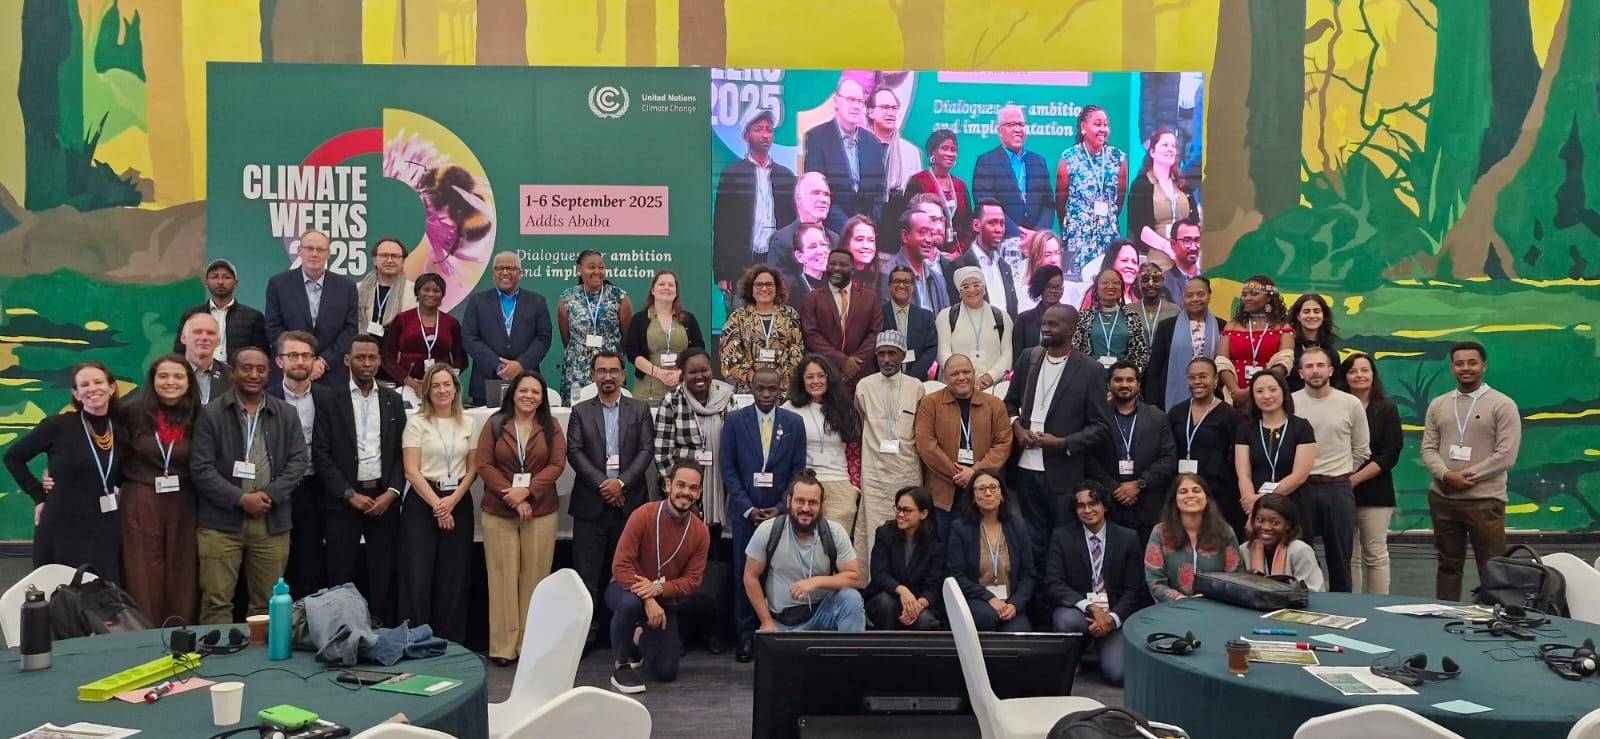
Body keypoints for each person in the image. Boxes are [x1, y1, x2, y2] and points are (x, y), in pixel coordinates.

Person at [190, 347, 309, 623]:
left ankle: (262, 651)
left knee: (267, 605)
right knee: (216, 602)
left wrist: (269, 495)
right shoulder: (211, 414)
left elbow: (299, 461)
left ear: (269, 374)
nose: (254, 375)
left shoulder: (286, 413)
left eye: (260, 369)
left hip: (271, 521)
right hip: (220, 524)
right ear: (232, 373)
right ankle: (218, 650)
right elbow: (201, 467)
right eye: (246, 368)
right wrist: (241, 499)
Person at [313, 334, 408, 624]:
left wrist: (392, 492)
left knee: (384, 571)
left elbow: (402, 453)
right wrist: (348, 494)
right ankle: (342, 629)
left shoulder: (393, 400)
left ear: (380, 361)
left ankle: (382, 629)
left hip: (383, 497)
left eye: (372, 358)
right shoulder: (330, 399)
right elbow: (321, 453)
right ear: (347, 360)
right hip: (344, 499)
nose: (366, 363)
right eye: (360, 357)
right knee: (341, 570)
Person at [1004, 304, 1111, 561]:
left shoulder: (1090, 369)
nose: (1046, 328)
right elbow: (1009, 403)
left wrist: (1063, 443)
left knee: (1062, 541)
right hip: (1024, 468)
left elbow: (1100, 426)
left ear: (1072, 329)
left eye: (1053, 324)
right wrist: (1017, 428)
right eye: (1044, 323)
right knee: (1032, 542)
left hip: (1063, 472)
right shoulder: (1029, 357)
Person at [475, 370, 567, 665]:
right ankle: (503, 647)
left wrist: (527, 492)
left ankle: (530, 646)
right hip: (499, 511)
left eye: (535, 392)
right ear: (512, 393)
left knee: (535, 580)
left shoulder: (551, 426)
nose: (529, 396)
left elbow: (556, 465)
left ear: (542, 398)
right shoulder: (495, 424)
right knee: (502, 578)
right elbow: (484, 464)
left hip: (540, 510)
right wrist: (512, 495)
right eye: (523, 390)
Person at [1421, 342, 1521, 602]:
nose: (1465, 368)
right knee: (1448, 566)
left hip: (1485, 501)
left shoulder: (1503, 404)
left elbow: (1506, 454)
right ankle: (1445, 614)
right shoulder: (1439, 404)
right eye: (1459, 363)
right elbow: (1429, 448)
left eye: (1472, 363)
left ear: (1483, 366)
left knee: (1492, 568)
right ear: (1452, 367)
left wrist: (1466, 477)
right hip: (1443, 499)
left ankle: (1493, 616)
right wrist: (1446, 476)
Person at [4, 362, 125, 578]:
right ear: (76, 394)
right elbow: (13, 457)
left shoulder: (121, 428)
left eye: (98, 382)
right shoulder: (57, 426)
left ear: (111, 388)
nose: (92, 388)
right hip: (61, 527)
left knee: (104, 591)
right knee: (61, 592)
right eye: (84, 385)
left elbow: (122, 474)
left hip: (104, 527)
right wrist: (38, 495)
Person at [567, 351, 655, 644]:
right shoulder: (580, 411)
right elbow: (574, 452)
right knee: (586, 575)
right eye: (602, 371)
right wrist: (604, 485)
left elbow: (646, 450)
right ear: (593, 375)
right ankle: (586, 635)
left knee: (630, 573)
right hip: (590, 504)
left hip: (629, 504)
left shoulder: (639, 409)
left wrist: (620, 483)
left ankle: (628, 634)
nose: (608, 376)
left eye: (614, 371)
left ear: (623, 375)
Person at [721, 366, 808, 661]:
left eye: (773, 389)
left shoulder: (794, 423)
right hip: (746, 515)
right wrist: (747, 508)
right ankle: (746, 636)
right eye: (761, 388)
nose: (767, 394)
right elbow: (728, 469)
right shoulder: (735, 421)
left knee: (780, 573)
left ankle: (776, 631)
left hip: (780, 514)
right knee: (745, 575)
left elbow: (798, 470)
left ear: (781, 389)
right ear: (751, 388)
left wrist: (782, 507)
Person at [607, 462, 711, 693]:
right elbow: (620, 565)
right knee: (629, 605)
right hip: (625, 588)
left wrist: (658, 591)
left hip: (663, 599)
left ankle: (637, 638)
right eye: (681, 485)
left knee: (666, 672)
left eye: (693, 488)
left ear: (699, 493)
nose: (686, 492)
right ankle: (621, 665)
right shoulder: (643, 515)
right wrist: (648, 598)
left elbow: (693, 580)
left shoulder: (700, 532)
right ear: (668, 485)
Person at [119, 355, 201, 625]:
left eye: (178, 376)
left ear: (189, 382)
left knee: (183, 569)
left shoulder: (198, 414)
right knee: (143, 571)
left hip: (184, 499)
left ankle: (180, 632)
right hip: (141, 498)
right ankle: (145, 633)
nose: (170, 382)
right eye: (163, 376)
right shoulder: (131, 412)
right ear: (152, 380)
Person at [399, 362, 478, 644]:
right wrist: (438, 505)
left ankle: (451, 643)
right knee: (418, 575)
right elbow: (411, 471)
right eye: (436, 386)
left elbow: (473, 469)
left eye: (447, 385)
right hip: (423, 501)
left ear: (456, 390)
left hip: (458, 500)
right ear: (427, 391)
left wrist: (452, 501)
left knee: (454, 577)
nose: (442, 390)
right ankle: (417, 640)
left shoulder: (469, 423)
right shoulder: (416, 422)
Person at [1044, 481, 1148, 686]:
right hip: (1079, 612)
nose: (1087, 510)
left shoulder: (1127, 538)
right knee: (1066, 620)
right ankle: (1075, 654)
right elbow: (1054, 583)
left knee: (1118, 674)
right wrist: (1091, 607)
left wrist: (1112, 619)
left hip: (1114, 614)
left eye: (1093, 504)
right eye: (1081, 505)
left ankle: (1102, 645)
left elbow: (1135, 589)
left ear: (1105, 506)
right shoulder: (1062, 537)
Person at [743, 471, 866, 633]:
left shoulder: (835, 532)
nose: (806, 508)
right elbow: (750, 576)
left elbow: (854, 577)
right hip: (783, 620)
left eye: (813, 502)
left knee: (851, 598)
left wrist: (816, 582)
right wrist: (766, 622)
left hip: (823, 612)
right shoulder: (768, 530)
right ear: (789, 501)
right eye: (800, 501)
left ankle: (850, 649)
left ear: (821, 505)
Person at [1290, 345, 1368, 592]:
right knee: (1301, 555)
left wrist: (1342, 473)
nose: (1315, 371)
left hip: (1338, 488)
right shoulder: (1290, 403)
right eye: (1309, 366)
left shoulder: (1350, 403)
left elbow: (1361, 449)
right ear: (1300, 373)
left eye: (1320, 365)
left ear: (1331, 370)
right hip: (1301, 488)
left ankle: (1341, 608)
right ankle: (1301, 605)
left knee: (1340, 559)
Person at [914, 354, 1014, 532]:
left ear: (974, 373)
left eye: (966, 372)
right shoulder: (930, 403)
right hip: (943, 495)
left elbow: (1003, 443)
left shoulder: (995, 405)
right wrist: (960, 475)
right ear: (945, 377)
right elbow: (926, 445)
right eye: (954, 374)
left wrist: (975, 474)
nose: (961, 377)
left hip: (984, 494)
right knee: (943, 545)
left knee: (981, 545)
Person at [855, 331, 927, 562]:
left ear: (903, 356)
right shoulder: (864, 386)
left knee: (907, 525)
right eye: (881, 354)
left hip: (906, 470)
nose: (886, 359)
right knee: (874, 526)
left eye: (892, 354)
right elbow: (860, 420)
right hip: (874, 473)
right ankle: (874, 578)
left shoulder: (916, 387)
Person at [269, 331, 331, 599]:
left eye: (306, 355)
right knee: (277, 564)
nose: (300, 361)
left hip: (316, 488)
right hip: (277, 491)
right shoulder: (266, 398)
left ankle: (306, 616)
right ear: (279, 361)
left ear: (315, 361)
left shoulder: (328, 398)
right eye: (292, 355)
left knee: (310, 562)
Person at [1091, 362, 1177, 548]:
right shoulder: (1097, 415)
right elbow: (1089, 459)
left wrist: (1139, 484)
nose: (1124, 384)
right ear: (1109, 384)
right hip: (1110, 505)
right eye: (1118, 380)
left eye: (1130, 380)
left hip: (1148, 505)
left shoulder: (1157, 417)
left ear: (1138, 384)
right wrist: (1115, 488)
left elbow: (1168, 459)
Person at [653, 348, 735, 532]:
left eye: (704, 370)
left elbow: (735, 446)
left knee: (711, 541)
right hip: (681, 490)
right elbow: (662, 453)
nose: (700, 376)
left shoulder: (726, 398)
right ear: (683, 374)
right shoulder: (672, 401)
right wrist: (678, 492)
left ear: (711, 370)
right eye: (692, 372)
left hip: (717, 486)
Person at [713, 108, 796, 290]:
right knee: (743, 307)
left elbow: (793, 224)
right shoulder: (733, 174)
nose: (765, 135)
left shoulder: (786, 176)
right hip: (742, 263)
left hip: (777, 262)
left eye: (769, 130)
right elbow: (722, 225)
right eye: (758, 129)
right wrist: (722, 273)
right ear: (746, 136)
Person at [1339, 354, 1402, 594]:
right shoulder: (1338, 406)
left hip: (1376, 491)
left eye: (1364, 370)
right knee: (1349, 555)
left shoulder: (1387, 409)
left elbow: (1390, 455)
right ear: (1344, 377)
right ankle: (1352, 604)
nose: (1359, 376)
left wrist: (1354, 478)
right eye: (1352, 371)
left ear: (1373, 374)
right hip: (1340, 491)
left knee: (1375, 554)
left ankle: (1378, 604)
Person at [264, 230, 360, 387]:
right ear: (299, 251)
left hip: (331, 374)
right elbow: (273, 327)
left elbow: (350, 329)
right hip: (289, 373)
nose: (314, 254)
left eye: (320, 249)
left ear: (328, 254)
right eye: (309, 248)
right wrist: (300, 360)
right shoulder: (278, 284)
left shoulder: (346, 287)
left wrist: (323, 361)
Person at [785, 355, 864, 539]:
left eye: (821, 376)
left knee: (835, 545)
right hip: (805, 486)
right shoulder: (789, 409)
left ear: (830, 377)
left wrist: (854, 488)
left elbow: (854, 451)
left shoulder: (845, 409)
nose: (816, 381)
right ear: (801, 380)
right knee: (805, 543)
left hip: (840, 486)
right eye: (809, 377)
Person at [1167, 357, 1247, 539]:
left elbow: (1237, 457)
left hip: (1218, 490)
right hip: (1182, 488)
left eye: (1203, 376)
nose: (1197, 382)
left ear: (1215, 379)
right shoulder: (1177, 412)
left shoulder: (1229, 415)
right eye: (1192, 377)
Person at [461, 252, 554, 406]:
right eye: (500, 268)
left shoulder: (537, 301)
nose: (505, 272)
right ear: (493, 274)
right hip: (486, 381)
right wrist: (498, 365)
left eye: (511, 268)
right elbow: (469, 337)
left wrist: (521, 364)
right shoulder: (477, 301)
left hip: (526, 380)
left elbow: (543, 337)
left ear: (520, 273)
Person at [947, 470, 1035, 631]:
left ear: (1002, 495)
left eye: (993, 488)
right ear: (973, 497)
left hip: (1010, 601)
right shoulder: (960, 528)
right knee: (985, 617)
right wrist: (989, 598)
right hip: (977, 599)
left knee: (1019, 632)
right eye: (981, 489)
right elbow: (956, 575)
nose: (988, 493)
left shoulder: (1018, 526)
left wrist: (1015, 604)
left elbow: (1028, 573)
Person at [1233, 371, 1318, 538]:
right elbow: (1243, 474)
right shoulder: (1245, 429)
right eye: (1259, 391)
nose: (1266, 396)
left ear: (1283, 392)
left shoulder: (1301, 427)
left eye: (1272, 389)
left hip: (1292, 504)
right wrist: (1251, 506)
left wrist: (1260, 500)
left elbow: (1299, 476)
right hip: (1256, 510)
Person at [803, 76, 886, 227]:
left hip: (866, 231)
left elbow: (879, 193)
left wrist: (867, 227)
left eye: (860, 101)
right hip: (831, 229)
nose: (856, 106)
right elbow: (817, 191)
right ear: (836, 101)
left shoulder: (873, 143)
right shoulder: (817, 138)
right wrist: (848, 229)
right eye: (850, 100)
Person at [1144, 474, 1241, 602]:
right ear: (1175, 500)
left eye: (1196, 490)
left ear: (1207, 498)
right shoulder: (1160, 533)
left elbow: (1236, 578)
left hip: (1216, 606)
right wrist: (1182, 600)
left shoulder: (1224, 532)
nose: (1190, 495)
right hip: (1173, 608)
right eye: (1183, 492)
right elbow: (1155, 582)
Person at [1055, 105, 1128, 276]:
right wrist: (1077, 224)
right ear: (1083, 127)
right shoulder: (1069, 158)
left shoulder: (1118, 158)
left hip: (1108, 237)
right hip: (1077, 237)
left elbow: (1119, 201)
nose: (1103, 129)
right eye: (1097, 124)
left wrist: (1104, 221)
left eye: (1106, 124)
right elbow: (1060, 204)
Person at [800, 248, 883, 386]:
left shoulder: (870, 298)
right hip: (826, 373)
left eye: (843, 265)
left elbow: (875, 333)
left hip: (861, 374)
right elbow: (811, 335)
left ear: (852, 269)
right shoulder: (811, 299)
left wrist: (854, 364)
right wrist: (842, 361)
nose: (837, 268)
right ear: (827, 267)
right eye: (833, 264)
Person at [865, 486, 944, 630]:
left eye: (907, 510)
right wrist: (901, 590)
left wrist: (918, 605)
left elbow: (933, 585)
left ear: (923, 513)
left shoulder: (935, 543)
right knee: (885, 603)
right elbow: (879, 573)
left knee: (925, 620)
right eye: (898, 509)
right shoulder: (884, 533)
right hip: (888, 594)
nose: (900, 514)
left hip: (918, 600)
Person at [558, 250, 633, 400]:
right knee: (576, 408)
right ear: (579, 270)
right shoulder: (567, 298)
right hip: (576, 370)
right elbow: (567, 339)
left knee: (611, 408)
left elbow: (626, 338)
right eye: (591, 267)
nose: (597, 271)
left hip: (609, 369)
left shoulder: (619, 297)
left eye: (601, 267)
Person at [719, 264, 805, 394]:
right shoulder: (737, 317)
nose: (764, 288)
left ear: (777, 287)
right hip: (748, 390)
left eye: (769, 284)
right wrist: (754, 377)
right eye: (758, 284)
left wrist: (777, 375)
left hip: (783, 389)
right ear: (751, 288)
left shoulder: (790, 315)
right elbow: (728, 355)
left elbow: (797, 350)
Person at [971, 105, 1053, 238]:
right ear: (999, 131)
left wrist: (1037, 235)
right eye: (1011, 125)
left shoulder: (1038, 161)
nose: (1017, 129)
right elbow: (985, 205)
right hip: (1002, 240)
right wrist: (1019, 234)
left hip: (1036, 242)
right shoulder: (986, 162)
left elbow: (1048, 204)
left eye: (1021, 124)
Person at [624, 270, 706, 403]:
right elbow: (633, 354)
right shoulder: (639, 319)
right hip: (648, 392)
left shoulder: (688, 319)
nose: (666, 287)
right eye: (661, 284)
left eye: (671, 285)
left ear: (676, 292)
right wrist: (659, 373)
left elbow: (699, 351)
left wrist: (681, 374)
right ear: (653, 290)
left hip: (684, 390)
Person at [1144, 276, 1224, 410]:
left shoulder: (1222, 326)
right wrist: (1152, 402)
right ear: (1182, 298)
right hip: (1170, 397)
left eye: (1200, 294)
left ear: (1209, 296)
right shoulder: (1167, 327)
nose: (1195, 299)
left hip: (1213, 397)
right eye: (1189, 295)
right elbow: (1155, 367)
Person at [381, 273, 468, 393]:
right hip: (408, 386)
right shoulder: (402, 319)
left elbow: (461, 359)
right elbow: (388, 356)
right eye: (426, 290)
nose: (431, 294)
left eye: (436, 290)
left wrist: (442, 380)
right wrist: (409, 381)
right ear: (417, 292)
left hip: (440, 388)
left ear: (442, 295)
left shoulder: (451, 323)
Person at [1216, 275, 1293, 409]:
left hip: (1268, 395)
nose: (1247, 298)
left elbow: (1284, 362)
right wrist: (1236, 391)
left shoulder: (1283, 328)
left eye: (1254, 294)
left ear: (1269, 297)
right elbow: (1222, 361)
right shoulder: (1232, 325)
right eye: (1244, 295)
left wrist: (1252, 391)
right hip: (1234, 396)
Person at [174, 258, 268, 360]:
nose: (220, 282)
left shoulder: (253, 316)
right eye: (214, 277)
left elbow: (261, 353)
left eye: (226, 277)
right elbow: (180, 350)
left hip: (236, 369)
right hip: (199, 368)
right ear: (206, 283)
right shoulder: (191, 315)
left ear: (236, 283)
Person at [936, 268, 1013, 392]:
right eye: (965, 287)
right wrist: (967, 379)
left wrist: (989, 378)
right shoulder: (946, 316)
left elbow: (1007, 353)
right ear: (959, 292)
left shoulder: (1002, 316)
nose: (972, 290)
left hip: (993, 388)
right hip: (956, 387)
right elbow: (943, 352)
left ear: (984, 288)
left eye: (976, 285)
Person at [1126, 128, 1195, 265]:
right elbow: (1139, 227)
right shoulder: (1141, 184)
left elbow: (1194, 220)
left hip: (1185, 258)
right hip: (1155, 258)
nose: (1170, 149)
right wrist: (1167, 247)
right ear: (1152, 152)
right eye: (1165, 145)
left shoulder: (1183, 185)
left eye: (1173, 146)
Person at [946, 199, 1019, 316]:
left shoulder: (1005, 267)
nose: (999, 229)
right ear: (976, 225)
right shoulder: (959, 267)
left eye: (1002, 223)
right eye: (992, 223)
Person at [1239, 494, 1325, 591]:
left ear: (1288, 524)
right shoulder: (1245, 549)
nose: (1266, 527)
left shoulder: (1300, 550)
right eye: (1260, 520)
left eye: (1275, 523)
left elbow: (1313, 591)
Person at [1072, 268, 1151, 374]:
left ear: (1122, 288)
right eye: (1105, 282)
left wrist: (1130, 374)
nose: (1110, 286)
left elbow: (1142, 353)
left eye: (1115, 283)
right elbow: (1075, 350)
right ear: (1096, 288)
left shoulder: (1132, 317)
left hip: (1123, 378)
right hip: (1090, 376)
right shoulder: (1083, 317)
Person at [904, 129, 971, 252]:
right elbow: (909, 222)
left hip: (956, 254)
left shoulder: (960, 185)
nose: (950, 154)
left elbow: (968, 225)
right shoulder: (918, 181)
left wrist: (957, 253)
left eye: (953, 150)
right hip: (925, 251)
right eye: (944, 148)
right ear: (932, 153)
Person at [767, 172, 838, 274]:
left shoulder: (836, 239)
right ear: (799, 199)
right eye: (816, 193)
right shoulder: (782, 241)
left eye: (826, 194)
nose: (824, 200)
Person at [884, 209, 951, 314]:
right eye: (923, 232)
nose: (929, 240)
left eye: (931, 233)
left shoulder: (938, 279)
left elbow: (947, 319)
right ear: (905, 236)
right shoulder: (887, 276)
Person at [882, 265, 939, 381]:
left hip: (917, 380)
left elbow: (931, 349)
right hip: (884, 379)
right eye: (897, 281)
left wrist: (912, 376)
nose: (902, 285)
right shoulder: (878, 314)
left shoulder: (926, 316)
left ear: (913, 287)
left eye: (906, 282)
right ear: (889, 286)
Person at [356, 237, 417, 338]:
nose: (389, 260)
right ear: (375, 260)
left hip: (398, 346)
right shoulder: (357, 289)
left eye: (395, 256)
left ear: (403, 261)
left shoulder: (415, 292)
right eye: (384, 255)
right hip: (364, 345)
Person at [867, 85, 922, 189]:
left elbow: (916, 194)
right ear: (871, 113)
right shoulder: (858, 147)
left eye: (894, 108)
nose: (890, 113)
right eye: (885, 107)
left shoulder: (911, 152)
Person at [1287, 293, 1340, 392]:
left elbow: (1336, 385)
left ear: (1323, 316)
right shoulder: (1288, 348)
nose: (1312, 316)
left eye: (1317, 311)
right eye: (1306, 312)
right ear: (1298, 316)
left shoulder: (1331, 353)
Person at [1011, 264, 1064, 360]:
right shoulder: (1024, 319)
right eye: (1048, 286)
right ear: (1040, 287)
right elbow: (1017, 357)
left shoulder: (1069, 318)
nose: (1053, 291)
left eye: (1057, 287)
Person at [178, 313, 233, 405]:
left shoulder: (232, 376)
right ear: (183, 338)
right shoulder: (167, 373)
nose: (204, 338)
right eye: (197, 332)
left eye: (211, 333)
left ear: (218, 341)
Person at [783, 223, 833, 307]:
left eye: (824, 244)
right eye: (813, 247)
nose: (821, 251)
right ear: (799, 256)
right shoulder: (791, 291)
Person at [1018, 230, 1070, 310]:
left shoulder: (1069, 290)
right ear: (1036, 258)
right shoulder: (1026, 294)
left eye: (1057, 253)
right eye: (1047, 255)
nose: (1054, 260)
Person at [1161, 217, 1203, 302]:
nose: (1193, 247)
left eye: (1197, 240)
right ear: (1173, 244)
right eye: (1187, 241)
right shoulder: (1164, 284)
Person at [1134, 263, 1179, 339]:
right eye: (1145, 280)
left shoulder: (1175, 311)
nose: (1150, 284)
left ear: (1162, 281)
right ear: (1138, 282)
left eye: (1155, 280)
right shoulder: (1128, 311)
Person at [838, 215, 882, 292]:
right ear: (846, 243)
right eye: (859, 239)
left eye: (871, 240)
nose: (866, 246)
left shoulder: (880, 278)